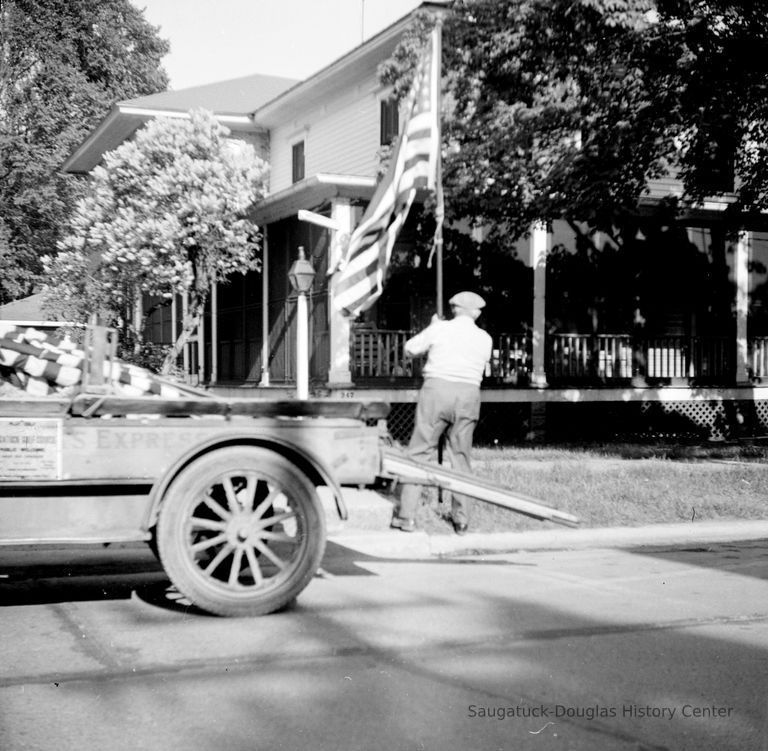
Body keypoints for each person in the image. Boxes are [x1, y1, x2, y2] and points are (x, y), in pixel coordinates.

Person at [392, 291, 493, 535]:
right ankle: (461, 519)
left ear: (454, 308)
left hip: (437, 390)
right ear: (477, 313)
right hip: (468, 394)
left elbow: (410, 349)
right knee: (461, 456)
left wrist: (432, 327)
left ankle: (406, 515)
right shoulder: (485, 338)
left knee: (419, 451)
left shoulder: (441, 329)